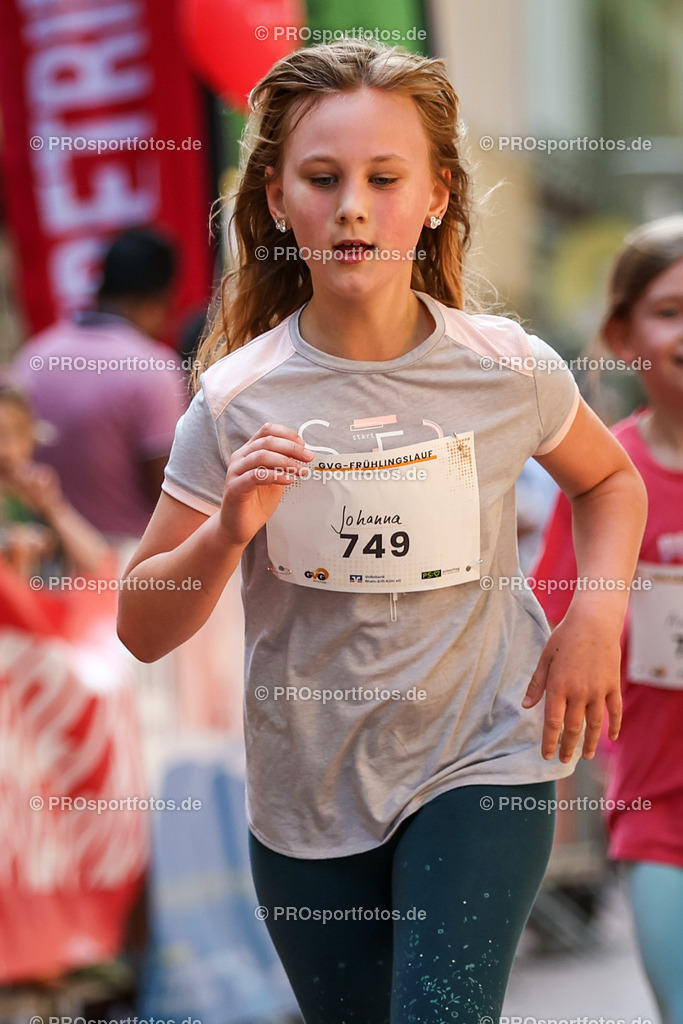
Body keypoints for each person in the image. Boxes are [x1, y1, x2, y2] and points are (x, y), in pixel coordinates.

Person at [117, 40, 647, 1023]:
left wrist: (592, 622)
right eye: (321, 178)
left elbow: (608, 480)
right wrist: (228, 528)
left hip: (483, 751)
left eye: (382, 177)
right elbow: (140, 624)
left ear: (436, 194)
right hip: (307, 793)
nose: (351, 204)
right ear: (278, 200)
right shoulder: (232, 399)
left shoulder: (505, 367)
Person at [532, 215, 683, 1024]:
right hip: (661, 813)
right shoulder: (602, 480)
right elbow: (556, 631)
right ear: (623, 337)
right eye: (669, 310)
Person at [12, 228, 188, 549]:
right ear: (159, 300)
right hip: (129, 564)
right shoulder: (154, 369)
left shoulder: (33, 357)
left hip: (47, 558)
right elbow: (169, 491)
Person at [0, 383, 107, 580]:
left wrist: (53, 506)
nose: (4, 449)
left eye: (10, 435)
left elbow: (96, 563)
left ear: (29, 440)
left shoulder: (36, 496)